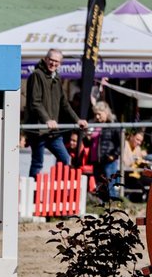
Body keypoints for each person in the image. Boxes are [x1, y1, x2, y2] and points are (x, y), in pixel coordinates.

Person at [23, 48, 87, 177]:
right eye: (51, 60)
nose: (53, 63)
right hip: (39, 129)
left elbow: (64, 103)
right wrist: (47, 119)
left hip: (53, 131)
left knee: (65, 159)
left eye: (56, 62)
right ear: (46, 59)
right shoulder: (37, 75)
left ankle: (58, 189)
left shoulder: (57, 77)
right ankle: (34, 195)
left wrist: (77, 120)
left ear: (60, 63)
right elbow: (35, 102)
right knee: (37, 163)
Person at [89, 102, 122, 202]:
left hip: (109, 159)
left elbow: (120, 143)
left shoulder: (113, 125)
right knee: (100, 184)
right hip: (97, 159)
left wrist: (114, 155)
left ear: (106, 112)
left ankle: (113, 205)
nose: (97, 116)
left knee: (110, 183)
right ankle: (103, 205)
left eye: (99, 114)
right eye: (95, 114)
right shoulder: (95, 125)